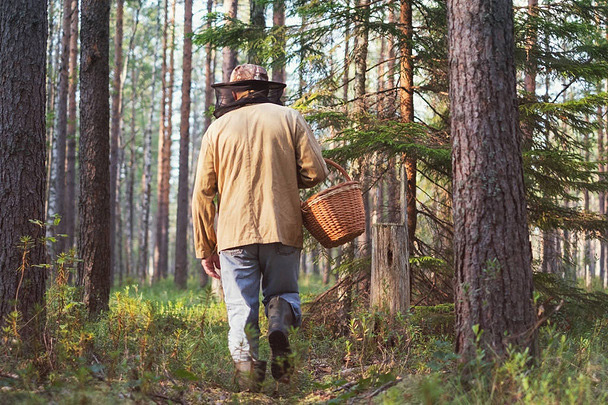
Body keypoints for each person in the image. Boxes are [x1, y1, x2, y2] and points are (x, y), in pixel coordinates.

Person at [191, 64, 328, 391]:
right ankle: (279, 318)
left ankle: (250, 381)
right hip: (281, 227)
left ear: (234, 92)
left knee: (241, 309)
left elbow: (202, 194)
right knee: (283, 294)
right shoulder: (290, 118)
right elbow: (317, 172)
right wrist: (283, 178)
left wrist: (204, 247)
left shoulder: (217, 129)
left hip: (234, 235)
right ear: (266, 88)